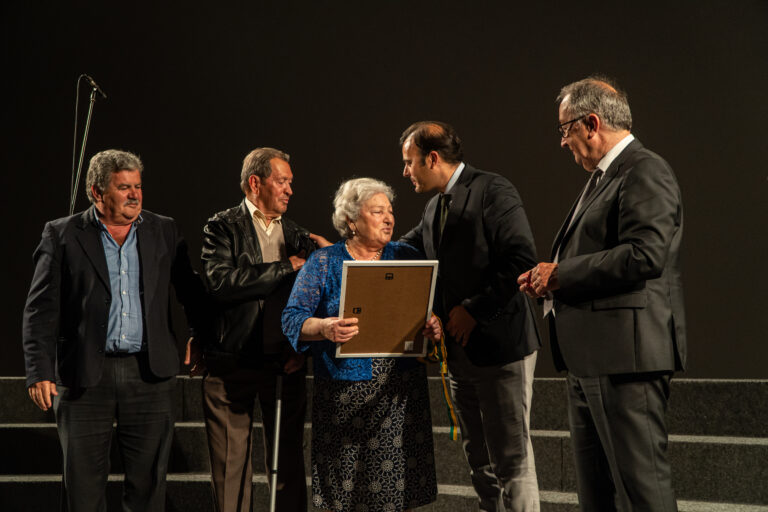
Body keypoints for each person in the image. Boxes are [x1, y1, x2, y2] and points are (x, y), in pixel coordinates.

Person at [518, 77, 686, 511]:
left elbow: (645, 255)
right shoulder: (604, 177)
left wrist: (561, 275)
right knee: (599, 496)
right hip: (592, 359)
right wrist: (547, 278)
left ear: (591, 123)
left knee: (642, 492)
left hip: (623, 360)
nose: (562, 141)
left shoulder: (645, 169)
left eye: (564, 129)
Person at [22, 149, 205, 512]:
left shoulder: (164, 229)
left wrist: (199, 335)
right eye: (124, 188)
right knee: (83, 488)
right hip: (85, 376)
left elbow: (192, 292)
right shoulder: (62, 234)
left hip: (149, 374)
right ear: (96, 192)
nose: (135, 194)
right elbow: (40, 308)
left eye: (137, 186)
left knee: (149, 485)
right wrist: (39, 370)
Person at [399, 121, 541, 511]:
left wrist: (473, 311)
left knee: (512, 461)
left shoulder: (493, 189)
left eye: (409, 163)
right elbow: (404, 250)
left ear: (432, 158)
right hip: (459, 359)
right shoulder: (433, 208)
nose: (405, 172)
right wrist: (344, 249)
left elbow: (521, 259)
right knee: (479, 462)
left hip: (501, 349)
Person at [281, 177, 442, 512]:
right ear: (351, 221)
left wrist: (432, 324)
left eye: (390, 211)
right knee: (346, 493)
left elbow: (428, 310)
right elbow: (292, 319)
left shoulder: (407, 256)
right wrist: (324, 327)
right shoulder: (324, 263)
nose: (389, 218)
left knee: (392, 494)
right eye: (377, 211)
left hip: (398, 395)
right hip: (344, 399)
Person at [185, 147, 322, 512]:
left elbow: (314, 296)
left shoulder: (296, 233)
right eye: (282, 181)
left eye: (291, 183)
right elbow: (220, 282)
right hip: (232, 363)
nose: (290, 190)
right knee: (231, 471)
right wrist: (284, 267)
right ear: (255, 183)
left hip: (284, 364)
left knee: (288, 467)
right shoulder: (222, 226)